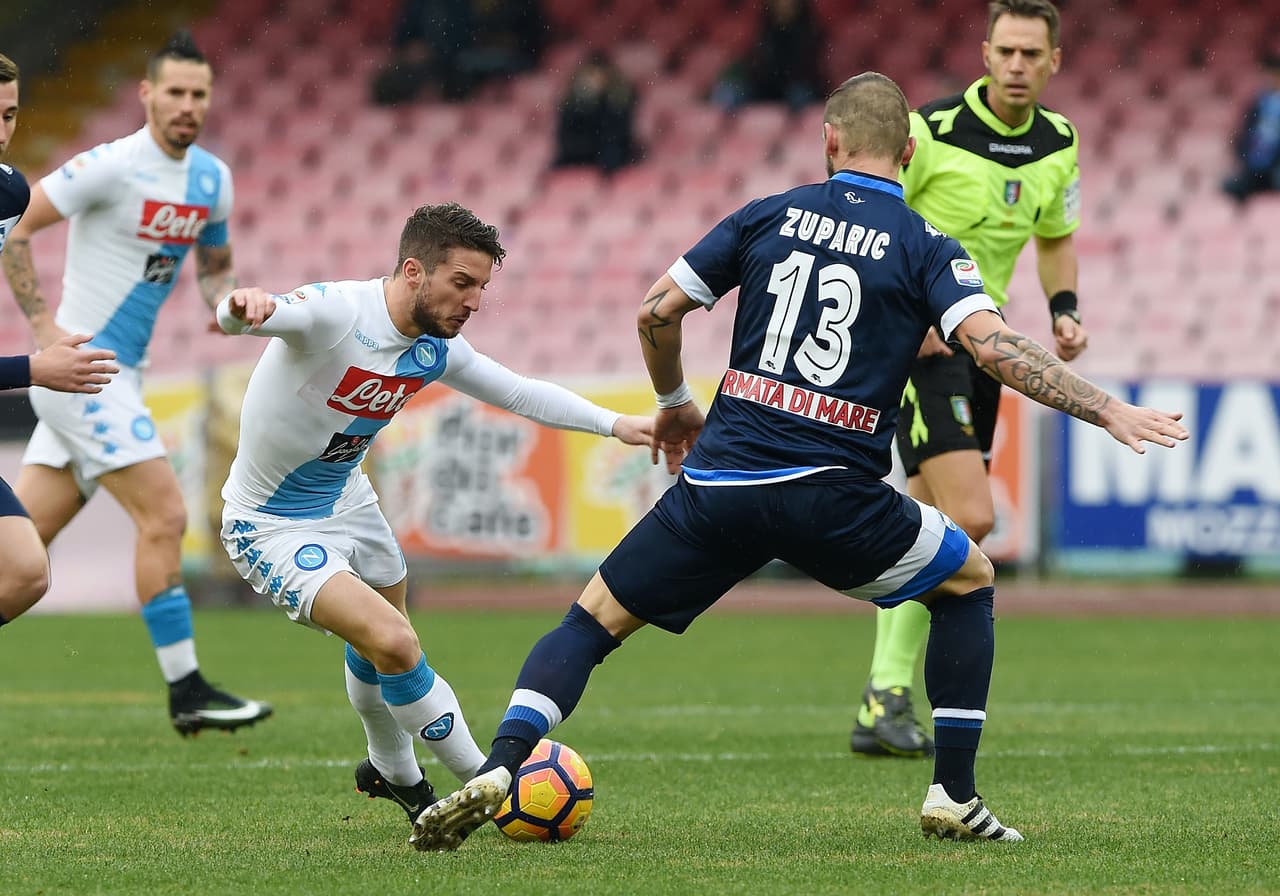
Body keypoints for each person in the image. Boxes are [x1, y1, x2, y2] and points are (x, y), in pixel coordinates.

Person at [410, 72, 1187, 851]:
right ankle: (954, 794)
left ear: (830, 142)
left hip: (719, 483)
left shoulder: (767, 214)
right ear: (911, 153)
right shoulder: (924, 244)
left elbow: (656, 309)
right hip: (832, 495)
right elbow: (994, 347)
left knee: (592, 620)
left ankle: (504, 762)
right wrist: (1107, 407)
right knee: (970, 579)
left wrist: (677, 397)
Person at [213, 202, 655, 829]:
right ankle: (483, 778)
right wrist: (242, 307)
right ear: (414, 271)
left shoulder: (433, 347)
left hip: (347, 498)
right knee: (393, 639)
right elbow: (262, 314)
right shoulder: (340, 314)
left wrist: (618, 425)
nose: (474, 302)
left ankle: (390, 770)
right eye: (462, 284)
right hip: (270, 523)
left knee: (377, 641)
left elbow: (521, 391)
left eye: (481, 287)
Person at [0, 32, 273, 736]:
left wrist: (229, 305)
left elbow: (215, 272)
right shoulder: (112, 166)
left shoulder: (212, 180)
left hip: (126, 375)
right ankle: (187, 691)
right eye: (174, 92)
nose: (187, 106)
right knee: (165, 514)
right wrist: (43, 332)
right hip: (82, 375)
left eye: (199, 95)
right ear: (147, 94)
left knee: (19, 559)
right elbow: (18, 226)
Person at [850, 0, 1088, 760]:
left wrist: (1065, 308)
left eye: (1032, 55)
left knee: (924, 516)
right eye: (1006, 51)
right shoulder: (930, 131)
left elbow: (1055, 236)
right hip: (922, 347)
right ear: (984, 55)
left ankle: (883, 700)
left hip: (986, 345)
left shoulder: (1060, 143)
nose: (1018, 66)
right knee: (972, 519)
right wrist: (905, 308)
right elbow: (873, 214)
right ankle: (887, 689)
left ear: (1054, 62)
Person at [0, 51, 120, 630]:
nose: (1, 132)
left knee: (25, 572)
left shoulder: (8, 196)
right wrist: (32, 368)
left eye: (9, 115)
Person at [711, 0, 827, 111]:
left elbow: (810, 72)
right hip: (765, 87)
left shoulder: (812, 31)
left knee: (800, 95)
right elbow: (751, 64)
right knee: (728, 92)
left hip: (796, 90)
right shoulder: (760, 28)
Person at [552, 51, 639, 174]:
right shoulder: (571, 103)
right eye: (590, 75)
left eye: (599, 75)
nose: (594, 80)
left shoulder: (618, 102)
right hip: (577, 155)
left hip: (609, 156)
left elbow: (618, 135)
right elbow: (565, 137)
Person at [1222, 50, 1280, 204]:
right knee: (1228, 186)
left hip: (1276, 166)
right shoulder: (1259, 102)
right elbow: (1246, 131)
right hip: (1254, 165)